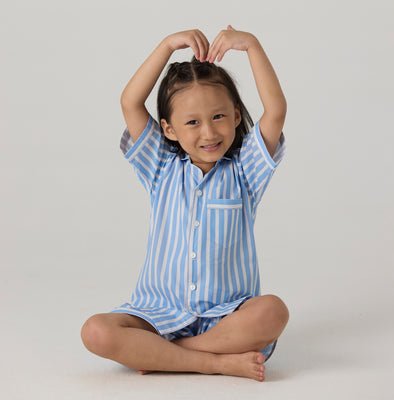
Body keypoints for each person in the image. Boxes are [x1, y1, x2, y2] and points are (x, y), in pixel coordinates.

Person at [81, 25, 289, 382]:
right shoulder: (160, 168)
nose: (209, 132)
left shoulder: (245, 172)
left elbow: (276, 110)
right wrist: (167, 45)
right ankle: (215, 362)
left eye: (219, 117)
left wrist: (252, 45)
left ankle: (167, 354)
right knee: (95, 331)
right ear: (169, 129)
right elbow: (130, 102)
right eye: (192, 122)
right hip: (157, 313)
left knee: (273, 312)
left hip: (226, 317)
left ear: (236, 116)